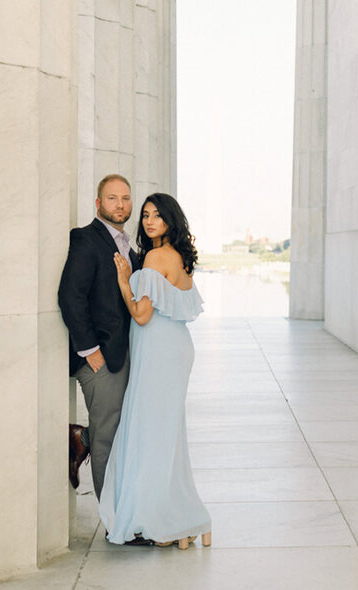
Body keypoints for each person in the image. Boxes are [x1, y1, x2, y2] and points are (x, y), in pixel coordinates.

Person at [99, 192, 211, 549]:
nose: (149, 221)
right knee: (166, 435)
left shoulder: (153, 257)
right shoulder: (182, 258)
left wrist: (123, 281)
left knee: (149, 434)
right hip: (176, 348)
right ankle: (183, 518)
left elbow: (142, 315)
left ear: (170, 220)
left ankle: (161, 519)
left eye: (157, 216)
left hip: (158, 352)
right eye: (145, 215)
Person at [57, 174, 142, 502]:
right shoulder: (87, 239)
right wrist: (90, 350)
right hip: (100, 359)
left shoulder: (128, 247)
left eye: (125, 198)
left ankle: (82, 439)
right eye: (112, 198)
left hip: (123, 354)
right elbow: (70, 297)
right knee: (108, 436)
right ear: (98, 203)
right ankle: (113, 518)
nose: (120, 205)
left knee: (120, 430)